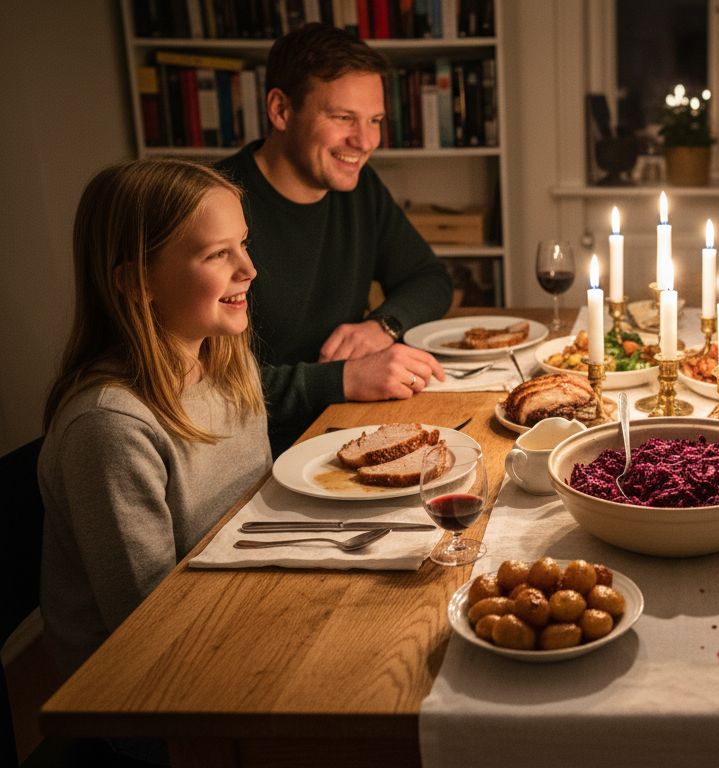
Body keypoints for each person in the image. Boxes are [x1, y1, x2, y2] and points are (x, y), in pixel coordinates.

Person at [39, 159, 270, 686]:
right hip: (146, 688)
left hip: (235, 614)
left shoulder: (229, 365)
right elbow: (148, 630)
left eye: (243, 243)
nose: (249, 268)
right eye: (217, 253)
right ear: (137, 281)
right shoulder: (111, 427)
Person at [216, 23, 452, 453]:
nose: (364, 142)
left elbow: (429, 277)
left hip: (347, 422)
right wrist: (341, 378)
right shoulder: (213, 206)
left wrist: (384, 326)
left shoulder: (359, 188)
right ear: (281, 110)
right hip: (253, 454)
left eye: (375, 120)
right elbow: (200, 386)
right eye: (343, 118)